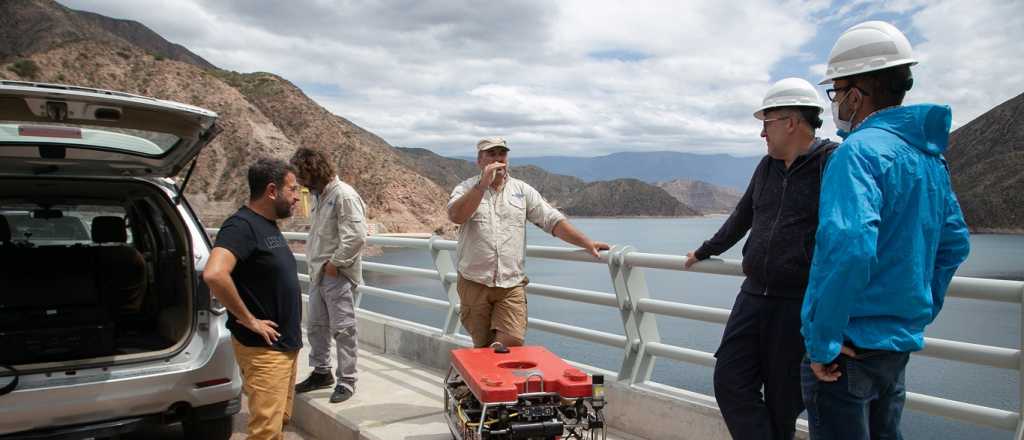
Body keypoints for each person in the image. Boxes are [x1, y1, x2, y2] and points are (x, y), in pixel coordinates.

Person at [800, 21, 971, 440]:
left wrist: (823, 341)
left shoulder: (857, 153)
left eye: (837, 91)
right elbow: (954, 244)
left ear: (856, 94)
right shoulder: (929, 158)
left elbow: (852, 247)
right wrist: (917, 312)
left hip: (848, 352)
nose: (837, 102)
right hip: (895, 347)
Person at [683, 78, 837, 440]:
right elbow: (742, 216)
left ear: (790, 122)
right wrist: (706, 250)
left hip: (797, 301)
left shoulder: (831, 164)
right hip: (754, 294)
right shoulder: (766, 167)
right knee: (729, 379)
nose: (761, 135)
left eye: (765, 124)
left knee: (784, 401)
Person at [448, 137, 609, 348]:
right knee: (483, 345)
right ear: (480, 160)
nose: (498, 159)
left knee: (512, 341)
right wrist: (482, 186)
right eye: (491, 154)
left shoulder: (522, 191)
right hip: (474, 282)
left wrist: (586, 242)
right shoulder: (466, 188)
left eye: (502, 154)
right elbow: (456, 216)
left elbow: (551, 220)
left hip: (511, 283)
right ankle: (488, 379)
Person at [203, 157, 303, 440]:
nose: (297, 197)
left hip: (283, 346)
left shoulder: (267, 225)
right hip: (265, 351)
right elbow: (214, 274)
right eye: (292, 189)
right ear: (272, 191)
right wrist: (249, 320)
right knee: (265, 432)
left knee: (277, 422)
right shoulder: (241, 226)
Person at [290, 147, 368, 404]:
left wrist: (336, 263)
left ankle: (347, 380)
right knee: (316, 326)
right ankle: (321, 372)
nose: (300, 181)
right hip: (318, 273)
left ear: (314, 170)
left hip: (337, 274)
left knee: (343, 329)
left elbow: (356, 235)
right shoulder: (319, 196)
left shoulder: (344, 195)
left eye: (302, 175)